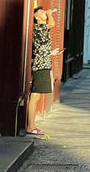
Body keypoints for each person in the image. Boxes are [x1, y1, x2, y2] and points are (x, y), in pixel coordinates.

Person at [26, 7, 61, 135]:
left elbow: (40, 48)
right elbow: (51, 24)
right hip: (40, 66)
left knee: (38, 95)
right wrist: (49, 14)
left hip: (44, 64)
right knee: (35, 95)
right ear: (36, 17)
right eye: (41, 12)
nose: (44, 12)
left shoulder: (41, 30)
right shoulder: (39, 28)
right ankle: (31, 126)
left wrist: (50, 53)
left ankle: (32, 125)